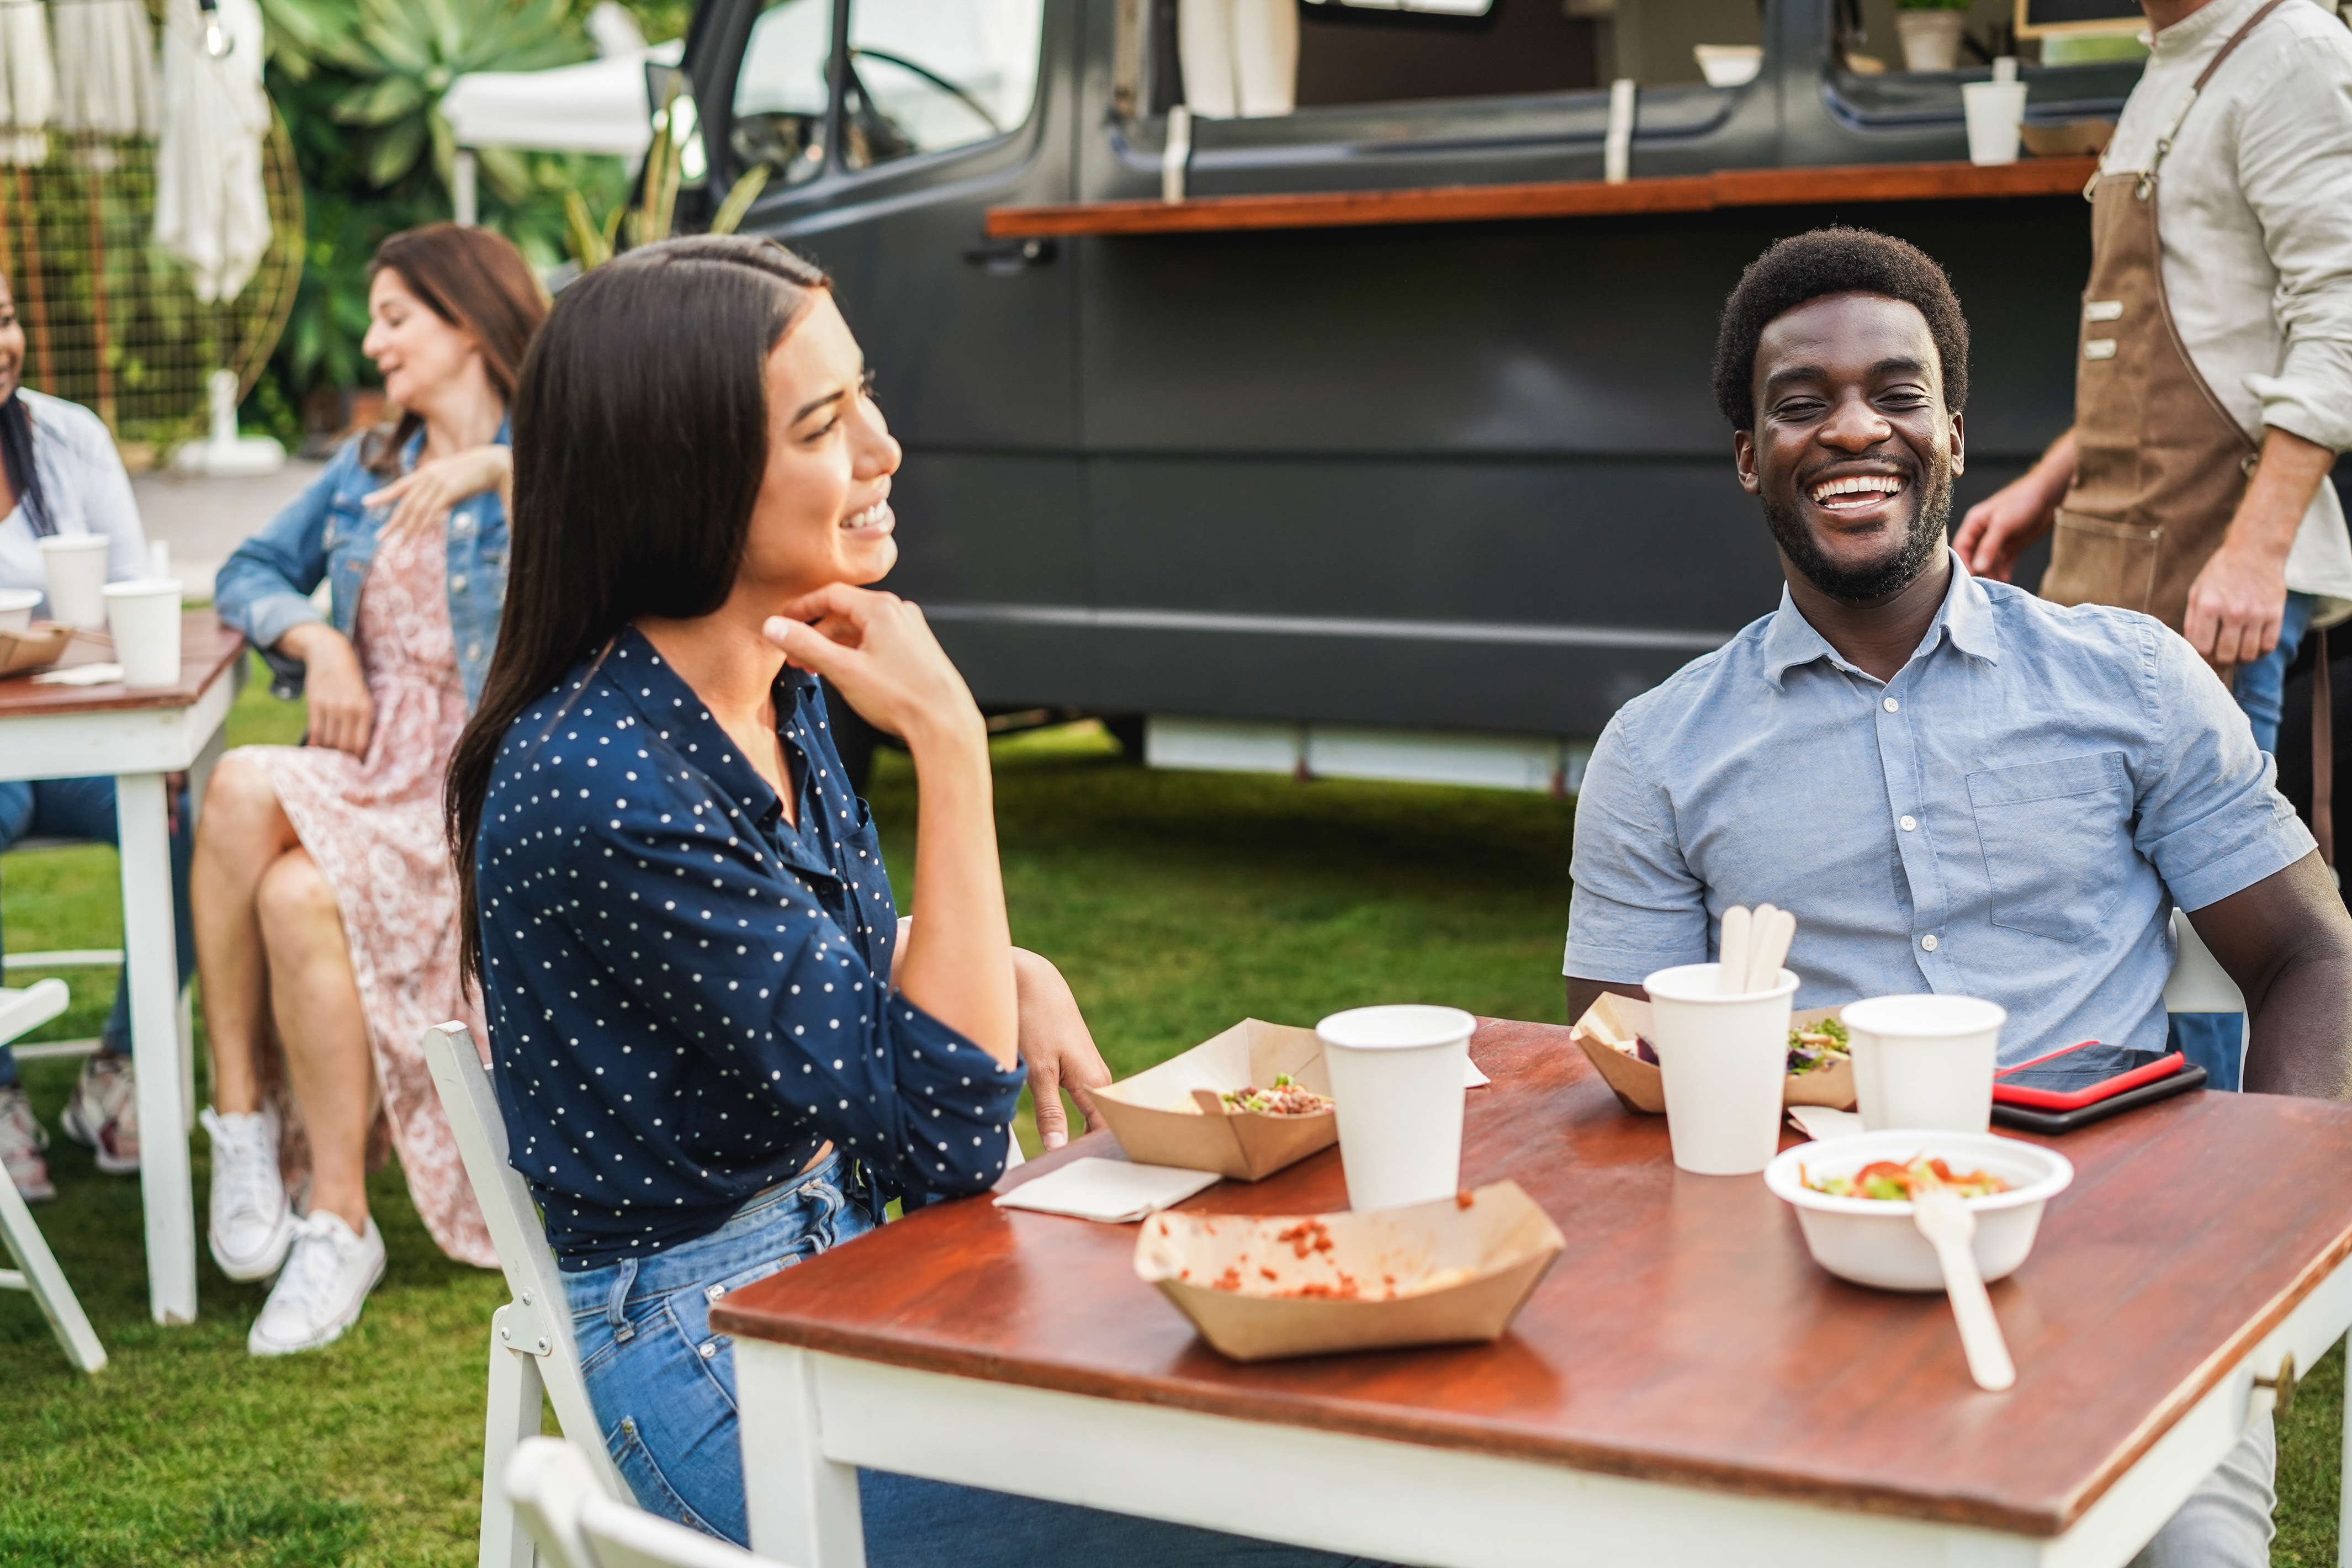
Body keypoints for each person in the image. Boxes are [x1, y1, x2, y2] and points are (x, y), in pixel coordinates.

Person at [447, 235, 1372, 1567]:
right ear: (681, 474)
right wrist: (953, 740)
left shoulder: (780, 679)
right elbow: (944, 1133)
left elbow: (797, 966)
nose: (885, 448)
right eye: (825, 423)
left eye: (864, 396)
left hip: (855, 1280)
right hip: (716, 1370)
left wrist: (988, 960)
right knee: (1277, 1503)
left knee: (1306, 1420)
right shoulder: (599, 781)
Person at [1564, 228, 2352, 1568]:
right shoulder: (1658, 751)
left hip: (2122, 1268)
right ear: (1752, 456)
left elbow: (2307, 958)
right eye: (1800, 404)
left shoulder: (2134, 683)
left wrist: (2256, 1223)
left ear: (1955, 433)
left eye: (1897, 391)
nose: (1852, 428)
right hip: (1798, 1281)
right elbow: (1624, 1068)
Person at [1952, 0, 2352, 1089]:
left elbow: (2340, 309)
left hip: (2215, 574)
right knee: (2115, 908)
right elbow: (2186, 341)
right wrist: (2046, 481)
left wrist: (2257, 547)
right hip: (2112, 555)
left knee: (2214, 940)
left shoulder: (2295, 52)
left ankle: (2224, 1199)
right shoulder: (2176, 61)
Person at [199, 224, 542, 1356]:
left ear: (469, 322)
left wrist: (502, 465)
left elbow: (663, 498)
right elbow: (244, 570)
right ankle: (258, 1140)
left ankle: (328, 1211)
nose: (372, 339)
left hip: (477, 791)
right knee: (248, 798)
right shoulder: (369, 467)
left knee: (288, 873)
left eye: (397, 316)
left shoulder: (562, 451)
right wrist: (318, 640)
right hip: (372, 768)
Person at [0, 266, 194, 1202]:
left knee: (193, 825)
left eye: (2, 321)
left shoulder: (67, 437)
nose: (1, 346)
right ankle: (0, 1091)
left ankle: (114, 1069)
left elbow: (126, 597)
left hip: (78, 738)